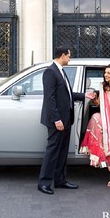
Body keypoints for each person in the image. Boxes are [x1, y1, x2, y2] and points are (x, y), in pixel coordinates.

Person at [38, 46, 95, 194]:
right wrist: (57, 120)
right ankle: (44, 183)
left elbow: (67, 95)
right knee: (52, 151)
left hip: (66, 119)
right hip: (57, 121)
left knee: (62, 152)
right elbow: (49, 99)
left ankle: (60, 180)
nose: (70, 59)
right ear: (62, 55)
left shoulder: (61, 72)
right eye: (69, 56)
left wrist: (85, 96)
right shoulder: (50, 72)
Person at [80, 63, 110, 187]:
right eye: (105, 72)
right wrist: (94, 99)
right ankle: (101, 154)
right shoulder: (103, 87)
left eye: (108, 73)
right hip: (107, 120)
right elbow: (101, 105)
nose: (105, 75)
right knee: (95, 117)